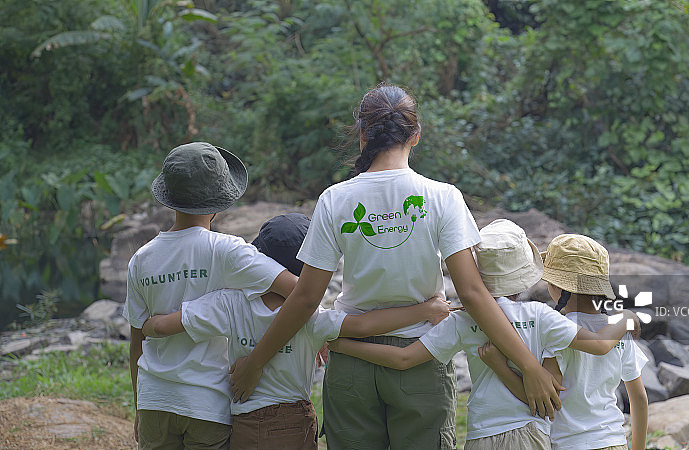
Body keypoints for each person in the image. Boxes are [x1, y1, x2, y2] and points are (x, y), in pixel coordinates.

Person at [227, 83, 565, 449]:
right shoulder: (442, 197)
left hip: (351, 363)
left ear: (362, 135)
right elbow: (472, 292)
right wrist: (530, 366)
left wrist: (256, 362)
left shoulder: (334, 199)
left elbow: (307, 297)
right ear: (415, 135)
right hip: (422, 358)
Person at [139, 213, 452, 449]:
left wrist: (150, 325)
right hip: (293, 420)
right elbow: (364, 324)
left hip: (244, 423)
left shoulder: (229, 303)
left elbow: (167, 325)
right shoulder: (311, 317)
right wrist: (424, 310)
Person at [328, 219, 639, 449]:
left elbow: (404, 358)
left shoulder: (464, 321)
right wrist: (626, 318)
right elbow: (554, 390)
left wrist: (343, 345)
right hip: (531, 434)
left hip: (481, 434)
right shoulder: (541, 317)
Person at [123, 142, 295, 449]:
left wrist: (139, 407)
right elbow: (296, 290)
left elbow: (137, 342)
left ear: (168, 199)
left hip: (154, 400)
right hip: (207, 402)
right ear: (219, 203)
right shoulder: (227, 250)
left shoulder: (142, 258)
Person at [540, 234, 649, 450]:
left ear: (559, 289)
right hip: (613, 440)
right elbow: (638, 397)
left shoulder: (554, 330)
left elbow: (548, 397)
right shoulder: (620, 332)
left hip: (569, 444)